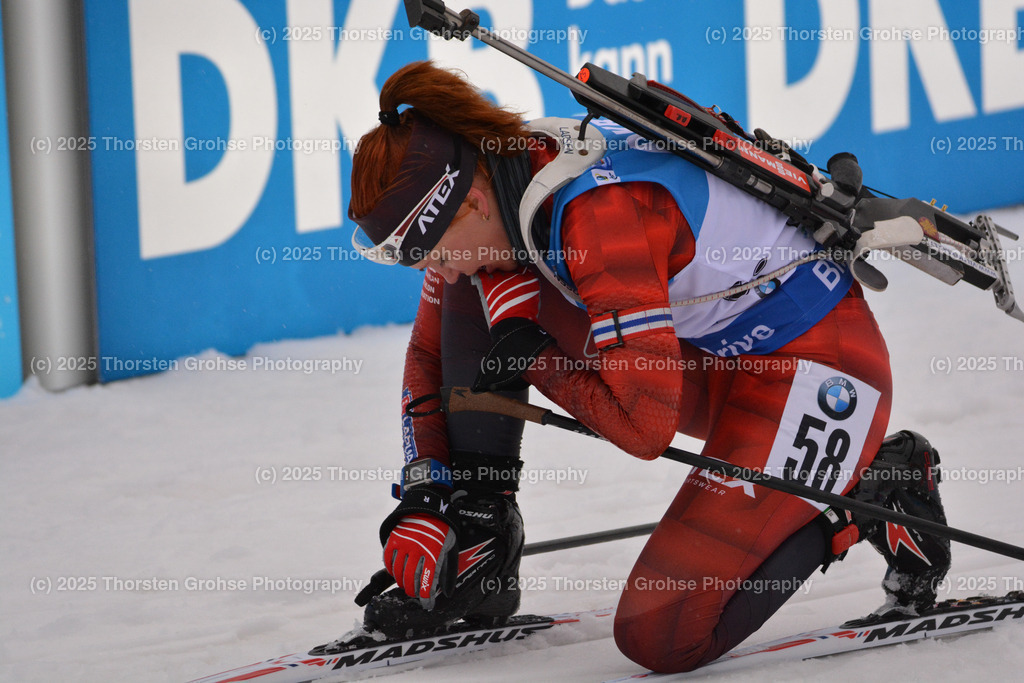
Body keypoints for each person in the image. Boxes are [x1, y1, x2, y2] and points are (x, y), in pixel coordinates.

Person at [347, 60, 952, 673]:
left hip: (822, 371)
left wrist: (539, 359)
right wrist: (426, 493)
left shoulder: (599, 219)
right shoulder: (506, 175)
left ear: (469, 201)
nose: (434, 270)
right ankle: (480, 531)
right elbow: (429, 352)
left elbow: (645, 427)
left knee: (660, 635)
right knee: (478, 288)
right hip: (715, 356)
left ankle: (867, 488)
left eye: (427, 251)